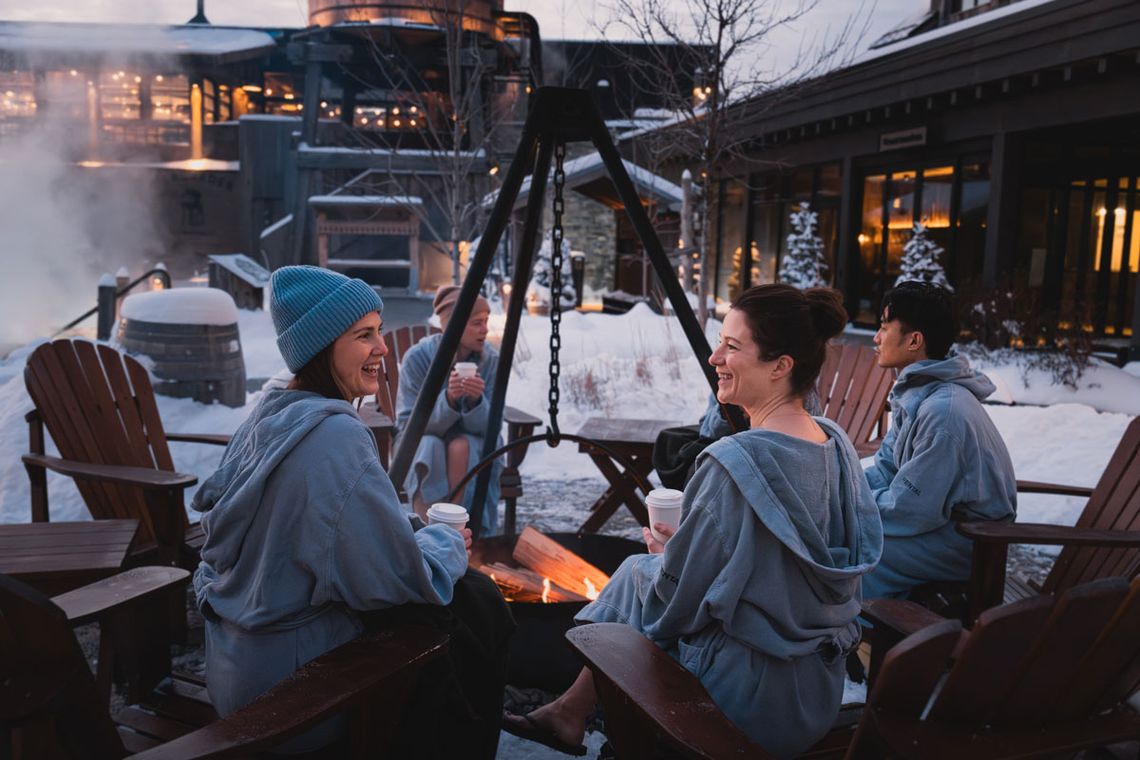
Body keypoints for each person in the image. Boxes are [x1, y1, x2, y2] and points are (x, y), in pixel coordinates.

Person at [504, 284, 883, 759]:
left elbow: (672, 609)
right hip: (814, 692)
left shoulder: (734, 464)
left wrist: (668, 558)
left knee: (637, 579)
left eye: (732, 346)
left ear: (780, 366)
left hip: (740, 704)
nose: (714, 356)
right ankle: (569, 712)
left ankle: (571, 713)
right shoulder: (836, 445)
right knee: (641, 578)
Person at [192, 265, 512, 758]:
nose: (383, 348)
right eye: (364, 335)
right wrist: (444, 543)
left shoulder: (269, 418)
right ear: (322, 348)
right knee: (473, 602)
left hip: (233, 667)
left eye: (379, 331)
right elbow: (395, 578)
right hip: (291, 696)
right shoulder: (336, 437)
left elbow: (333, 529)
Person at [861, 281, 1017, 600]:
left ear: (914, 340)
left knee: (851, 554)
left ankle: (856, 639)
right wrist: (841, 489)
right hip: (937, 525)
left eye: (883, 327)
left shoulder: (943, 412)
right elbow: (887, 469)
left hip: (968, 541)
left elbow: (909, 511)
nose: (876, 338)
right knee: (840, 536)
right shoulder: (918, 394)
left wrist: (853, 508)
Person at [397, 284, 504, 534]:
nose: (485, 329)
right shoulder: (418, 358)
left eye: (486, 321)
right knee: (431, 446)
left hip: (473, 445)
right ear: (454, 325)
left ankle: (458, 531)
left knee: (461, 446)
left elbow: (492, 428)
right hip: (420, 442)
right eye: (476, 322)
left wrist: (477, 402)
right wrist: (450, 400)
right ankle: (426, 533)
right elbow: (408, 424)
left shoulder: (491, 362)